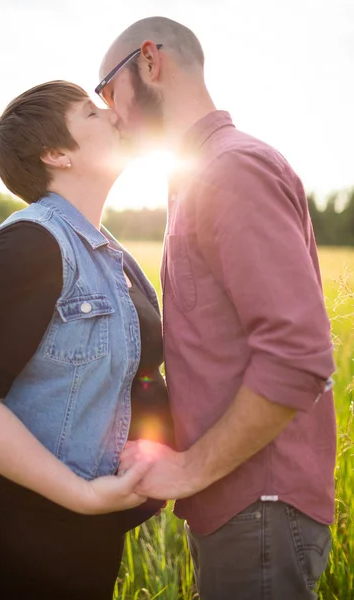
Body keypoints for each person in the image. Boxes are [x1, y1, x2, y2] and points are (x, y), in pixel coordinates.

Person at [99, 17, 336, 600]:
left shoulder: (231, 169)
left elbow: (297, 358)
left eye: (106, 91)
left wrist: (189, 469)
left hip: (259, 507)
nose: (109, 114)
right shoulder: (195, 177)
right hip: (241, 510)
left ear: (150, 62)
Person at [0, 80, 173, 598]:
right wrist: (82, 496)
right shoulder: (30, 246)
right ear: (56, 154)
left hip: (80, 537)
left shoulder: (107, 252)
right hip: (6, 541)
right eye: (92, 113)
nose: (115, 116)